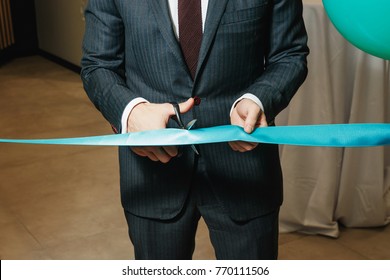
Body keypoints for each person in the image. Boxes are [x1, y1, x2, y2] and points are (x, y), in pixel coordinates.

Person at [81, 0, 309, 260]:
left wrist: (258, 99)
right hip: (152, 173)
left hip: (243, 171)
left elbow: (289, 54)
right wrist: (131, 112)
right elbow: (98, 65)